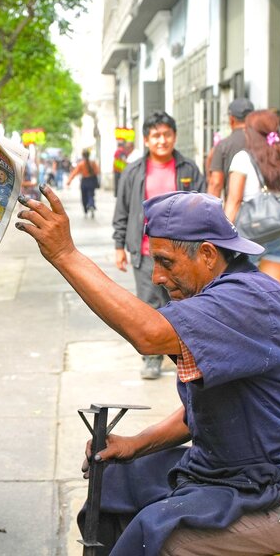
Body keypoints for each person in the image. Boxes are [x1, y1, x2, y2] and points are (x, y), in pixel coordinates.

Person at [15, 188, 280, 556]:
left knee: (161, 539)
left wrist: (65, 255)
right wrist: (136, 444)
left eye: (166, 262)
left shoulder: (247, 300)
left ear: (208, 255)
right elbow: (206, 411)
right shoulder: (217, 295)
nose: (158, 277)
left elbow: (148, 334)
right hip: (249, 471)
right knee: (119, 478)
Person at [112, 112, 204, 380]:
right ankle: (152, 358)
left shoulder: (188, 169)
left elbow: (202, 204)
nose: (162, 140)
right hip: (145, 252)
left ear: (174, 136)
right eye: (156, 135)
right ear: (146, 140)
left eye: (167, 135)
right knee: (150, 306)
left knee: (186, 304)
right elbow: (123, 210)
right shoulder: (133, 171)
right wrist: (119, 245)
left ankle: (190, 356)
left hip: (183, 252)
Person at [223, 110, 280, 285]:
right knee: (271, 297)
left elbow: (233, 201)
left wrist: (223, 237)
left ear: (249, 132)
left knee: (243, 298)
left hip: (250, 237)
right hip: (279, 234)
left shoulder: (243, 159)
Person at [206, 97, 254, 199]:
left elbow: (216, 184)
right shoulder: (264, 143)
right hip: (266, 209)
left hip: (236, 209)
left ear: (231, 119)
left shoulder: (224, 145)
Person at [67, 149, 101, 217]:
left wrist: (69, 181)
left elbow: (74, 173)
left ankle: (85, 210)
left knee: (84, 197)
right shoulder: (93, 163)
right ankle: (91, 205)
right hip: (92, 181)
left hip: (84, 181)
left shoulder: (81, 164)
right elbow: (98, 171)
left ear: (83, 155)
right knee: (91, 195)